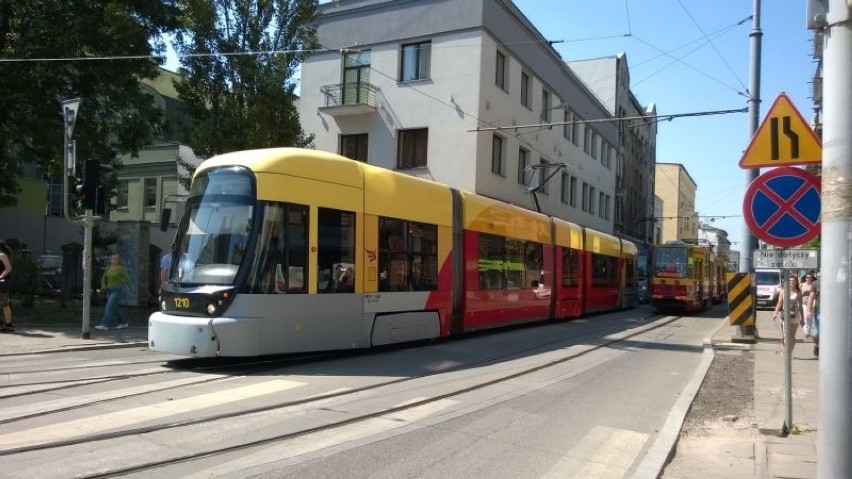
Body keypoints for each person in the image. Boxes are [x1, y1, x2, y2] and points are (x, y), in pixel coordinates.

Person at [96, 254, 132, 331]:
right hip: (109, 290)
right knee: (114, 307)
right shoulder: (108, 268)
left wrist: (131, 288)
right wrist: (103, 285)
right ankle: (123, 322)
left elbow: (127, 279)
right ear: (110, 260)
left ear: (119, 260)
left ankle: (104, 324)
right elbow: (104, 277)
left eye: (116, 259)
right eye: (113, 259)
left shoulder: (121, 269)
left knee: (109, 306)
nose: (115, 260)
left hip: (117, 290)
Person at [772, 275, 803, 356]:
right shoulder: (783, 291)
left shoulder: (798, 292)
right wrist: (775, 312)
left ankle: (788, 353)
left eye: (794, 281)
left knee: (792, 336)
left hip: (795, 316)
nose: (792, 282)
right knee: (786, 335)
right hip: (785, 316)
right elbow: (780, 303)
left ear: (796, 282)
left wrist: (802, 318)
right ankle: (784, 349)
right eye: (790, 280)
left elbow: (800, 306)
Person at [0, 241, 13, 332]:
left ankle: (8, 325)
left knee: (4, 303)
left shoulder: (2, 255)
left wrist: (0, 277)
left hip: (1, 282)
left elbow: (8, 268)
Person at [808, 274, 820, 357]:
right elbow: (811, 297)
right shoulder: (816, 283)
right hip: (819, 311)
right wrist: (809, 311)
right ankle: (816, 345)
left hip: (833, 314)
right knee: (816, 333)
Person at [800, 273, 815, 338]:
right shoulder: (802, 285)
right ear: (805, 278)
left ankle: (810, 331)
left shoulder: (813, 285)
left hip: (813, 303)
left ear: (812, 278)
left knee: (811, 317)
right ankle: (806, 331)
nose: (808, 278)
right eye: (807, 277)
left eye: (810, 277)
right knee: (806, 317)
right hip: (804, 303)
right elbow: (799, 294)